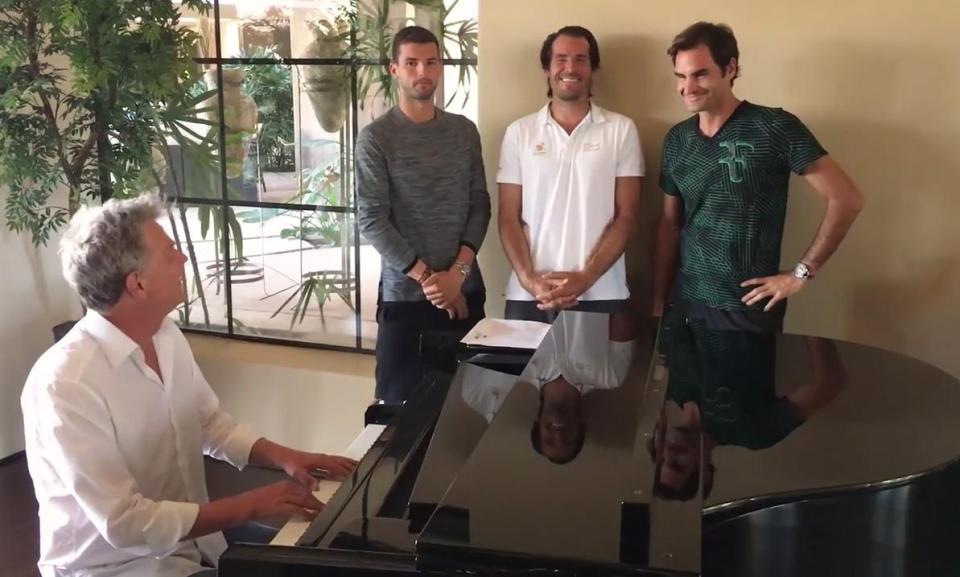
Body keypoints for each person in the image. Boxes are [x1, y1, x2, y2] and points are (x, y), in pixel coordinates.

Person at [21, 196, 358, 577]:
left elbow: (208, 424)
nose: (182, 259)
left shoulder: (165, 334)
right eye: (170, 254)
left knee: (328, 554)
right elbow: (125, 523)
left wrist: (287, 457)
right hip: (118, 567)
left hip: (192, 543)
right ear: (137, 284)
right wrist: (252, 504)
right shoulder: (66, 384)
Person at [653, 22, 864, 332]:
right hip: (687, 302)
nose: (688, 87)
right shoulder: (677, 140)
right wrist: (658, 299)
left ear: (730, 68)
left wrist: (801, 274)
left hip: (749, 307)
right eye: (681, 77)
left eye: (700, 74)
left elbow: (847, 199)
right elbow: (670, 224)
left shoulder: (773, 127)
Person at [356, 25, 490, 403]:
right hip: (406, 302)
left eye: (431, 62)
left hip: (466, 294)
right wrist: (433, 282)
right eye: (412, 63)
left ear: (440, 67)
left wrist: (457, 276)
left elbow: (479, 204)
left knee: (468, 410)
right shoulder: (376, 138)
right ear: (394, 69)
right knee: (400, 415)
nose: (422, 72)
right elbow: (372, 219)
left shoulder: (463, 132)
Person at [497, 25, 643, 323]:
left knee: (597, 360)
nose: (570, 68)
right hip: (530, 295)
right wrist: (528, 280)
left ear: (593, 68)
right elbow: (508, 216)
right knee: (520, 359)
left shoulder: (621, 129)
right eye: (561, 59)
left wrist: (586, 277)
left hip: (600, 292)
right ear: (547, 68)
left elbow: (627, 216)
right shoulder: (519, 132)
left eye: (580, 59)